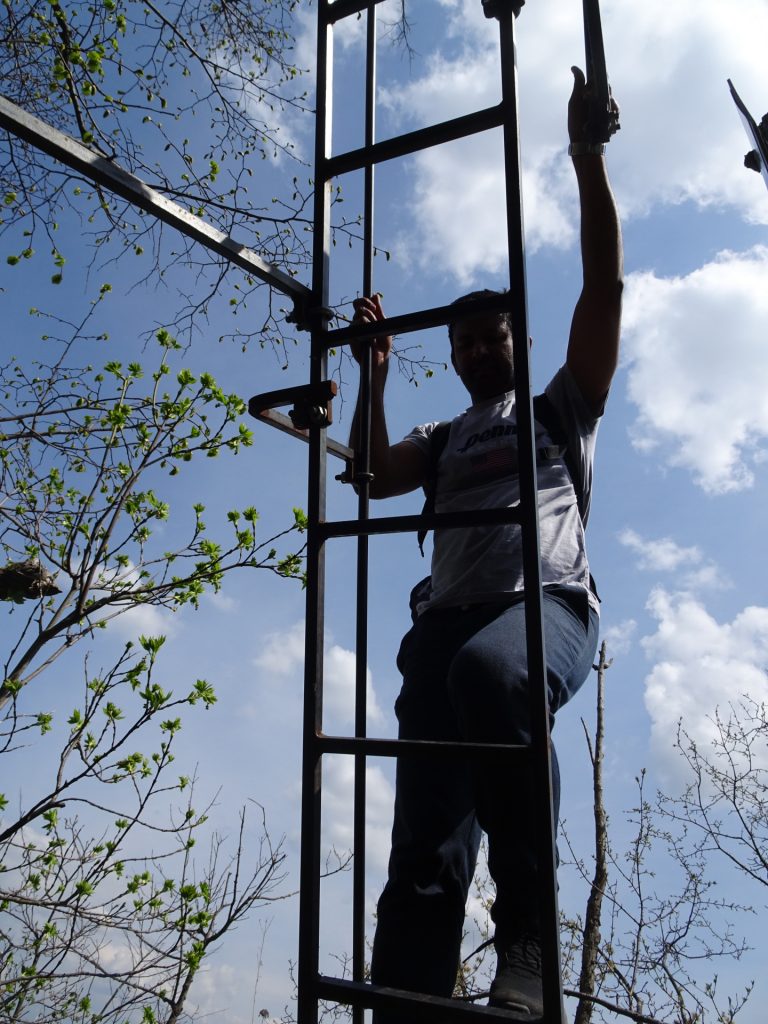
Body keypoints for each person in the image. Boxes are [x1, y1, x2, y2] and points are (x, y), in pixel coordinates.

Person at [349, 66, 623, 1021]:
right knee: (426, 832)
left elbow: (602, 288)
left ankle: (530, 944)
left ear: (516, 338)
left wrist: (586, 161)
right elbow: (373, 476)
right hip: (448, 626)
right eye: (461, 340)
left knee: (490, 677)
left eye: (492, 333)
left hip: (540, 612)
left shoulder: (556, 411)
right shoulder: (444, 436)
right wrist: (372, 379)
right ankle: (407, 994)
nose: (475, 349)